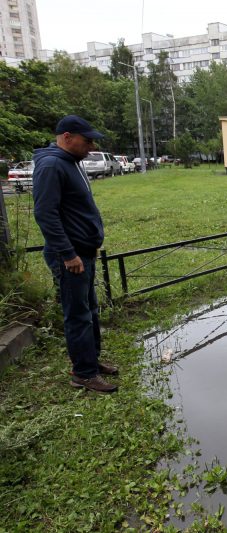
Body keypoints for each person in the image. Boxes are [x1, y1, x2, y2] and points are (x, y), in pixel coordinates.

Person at [32, 115, 118, 393]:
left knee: (89, 310)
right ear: (67, 137)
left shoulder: (71, 163)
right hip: (70, 257)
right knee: (78, 315)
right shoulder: (52, 165)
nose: (91, 146)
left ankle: (91, 362)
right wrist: (68, 254)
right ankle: (83, 373)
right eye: (87, 140)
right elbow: (46, 214)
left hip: (84, 252)